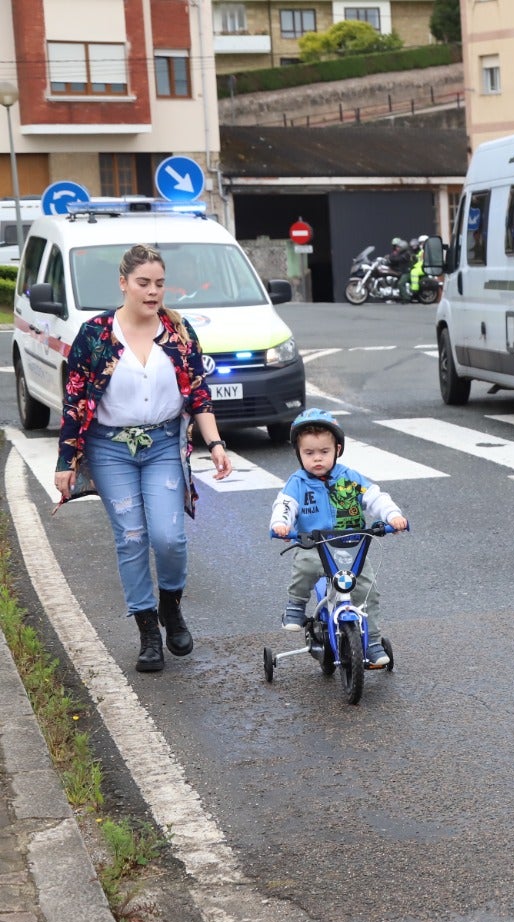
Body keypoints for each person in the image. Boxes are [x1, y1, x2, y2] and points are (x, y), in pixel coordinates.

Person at [54, 244, 234, 672]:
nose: (152, 292)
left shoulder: (178, 331)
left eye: (158, 283)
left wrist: (216, 444)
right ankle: (148, 630)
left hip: (162, 445)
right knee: (132, 537)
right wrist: (66, 461)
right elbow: (75, 401)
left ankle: (171, 605)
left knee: (168, 537)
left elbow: (199, 393)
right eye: (143, 283)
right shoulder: (96, 334)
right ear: (123, 284)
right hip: (109, 447)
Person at [268, 409, 408, 667]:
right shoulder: (297, 483)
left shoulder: (350, 479)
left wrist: (392, 516)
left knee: (366, 590)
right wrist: (281, 524)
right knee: (305, 567)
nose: (317, 459)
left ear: (338, 450)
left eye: (324, 452)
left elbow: (375, 497)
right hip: (315, 545)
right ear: (298, 454)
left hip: (352, 548)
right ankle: (296, 605)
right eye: (309, 453)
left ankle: (374, 641)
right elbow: (285, 505)